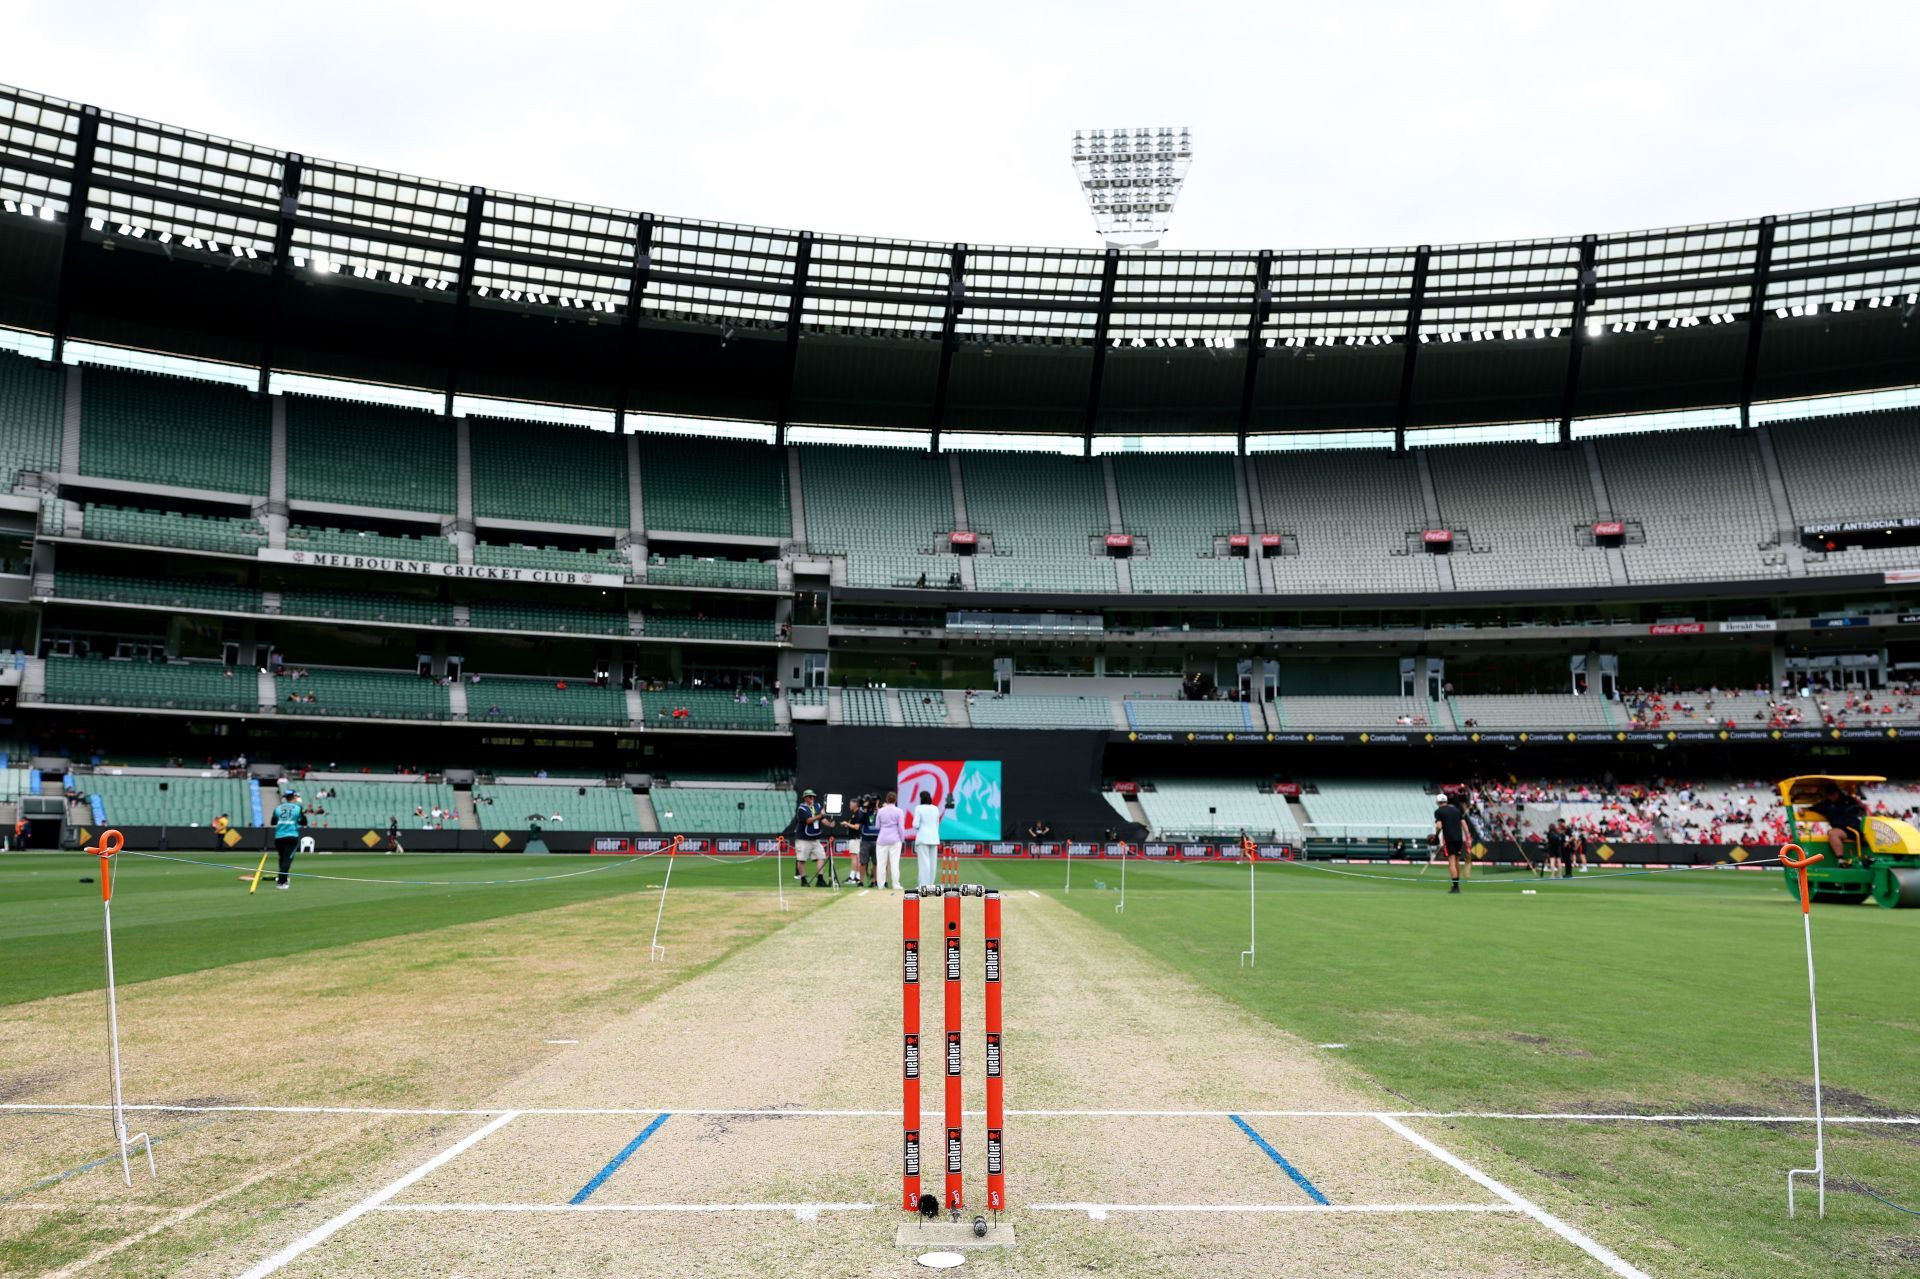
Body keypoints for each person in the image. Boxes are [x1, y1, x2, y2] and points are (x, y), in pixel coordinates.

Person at [784, 788, 830, 887]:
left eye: (813, 796)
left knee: (821, 857)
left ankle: (820, 880)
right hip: (803, 839)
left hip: (815, 838)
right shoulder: (801, 809)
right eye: (810, 796)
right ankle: (803, 879)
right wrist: (820, 815)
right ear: (805, 798)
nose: (812, 798)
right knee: (801, 859)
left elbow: (822, 819)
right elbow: (808, 821)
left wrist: (829, 824)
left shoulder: (817, 806)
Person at [1816, 781, 1869, 866]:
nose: (1832, 795)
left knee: (1871, 833)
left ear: (1838, 792)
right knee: (1832, 833)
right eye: (1830, 794)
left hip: (1857, 827)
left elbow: (1863, 809)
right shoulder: (1825, 805)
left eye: (1834, 793)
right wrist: (1803, 809)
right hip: (1842, 830)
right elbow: (1810, 808)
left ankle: (1872, 857)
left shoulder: (1850, 800)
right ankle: (1841, 860)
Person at [1432, 790, 1469, 894]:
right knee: (1457, 861)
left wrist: (1436, 835)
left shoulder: (1438, 811)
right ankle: (1457, 885)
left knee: (1451, 862)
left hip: (1449, 839)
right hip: (1459, 838)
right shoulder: (1456, 810)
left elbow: (1439, 826)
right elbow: (1464, 824)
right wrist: (1468, 836)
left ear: (1438, 802)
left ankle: (1455, 887)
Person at [271, 789, 305, 890]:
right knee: (287, 860)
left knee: (282, 858)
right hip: (291, 836)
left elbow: (273, 822)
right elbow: (304, 822)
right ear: (294, 797)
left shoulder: (278, 808)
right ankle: (282, 882)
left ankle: (282, 878)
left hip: (279, 837)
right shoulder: (298, 808)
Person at [911, 789, 944, 889]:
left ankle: (923, 885)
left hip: (923, 838)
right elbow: (937, 824)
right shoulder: (935, 808)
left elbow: (915, 824)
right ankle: (930, 884)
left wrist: (917, 826)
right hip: (934, 837)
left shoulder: (919, 808)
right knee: (932, 863)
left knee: (924, 863)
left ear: (921, 798)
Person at [875, 790, 906, 890]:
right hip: (895, 839)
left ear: (886, 800)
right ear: (895, 800)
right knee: (894, 863)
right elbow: (901, 828)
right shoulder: (899, 811)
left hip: (882, 839)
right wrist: (902, 839)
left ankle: (880, 885)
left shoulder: (881, 811)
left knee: (881, 863)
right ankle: (896, 884)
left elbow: (877, 826)